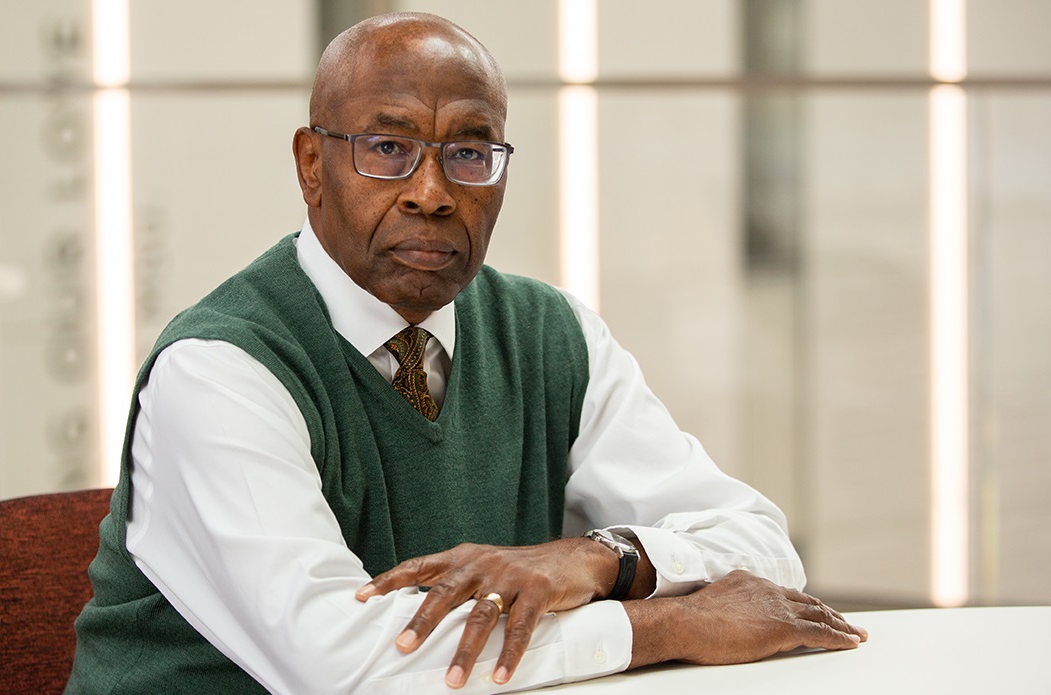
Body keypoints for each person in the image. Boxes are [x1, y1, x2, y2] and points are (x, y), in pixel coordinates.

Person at [67, 11, 866, 694]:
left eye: (470, 152)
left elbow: (761, 545)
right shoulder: (219, 368)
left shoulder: (550, 334)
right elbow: (348, 666)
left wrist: (598, 560)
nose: (432, 191)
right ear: (313, 166)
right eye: (387, 147)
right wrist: (662, 624)